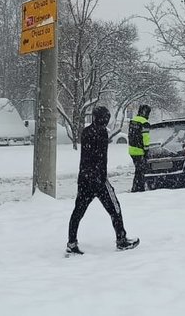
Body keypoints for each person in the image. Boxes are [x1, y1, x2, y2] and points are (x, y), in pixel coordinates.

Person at [67, 106, 139, 255]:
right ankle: (121, 239)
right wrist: (100, 177)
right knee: (115, 208)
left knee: (78, 211)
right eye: (106, 118)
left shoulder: (86, 132)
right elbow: (99, 159)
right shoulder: (102, 133)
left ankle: (72, 242)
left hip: (84, 179)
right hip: (99, 180)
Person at [127, 104, 152, 193]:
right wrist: (146, 150)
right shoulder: (145, 123)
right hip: (140, 151)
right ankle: (139, 189)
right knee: (140, 172)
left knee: (138, 170)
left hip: (131, 149)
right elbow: (145, 138)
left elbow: (130, 134)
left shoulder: (133, 120)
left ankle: (136, 188)